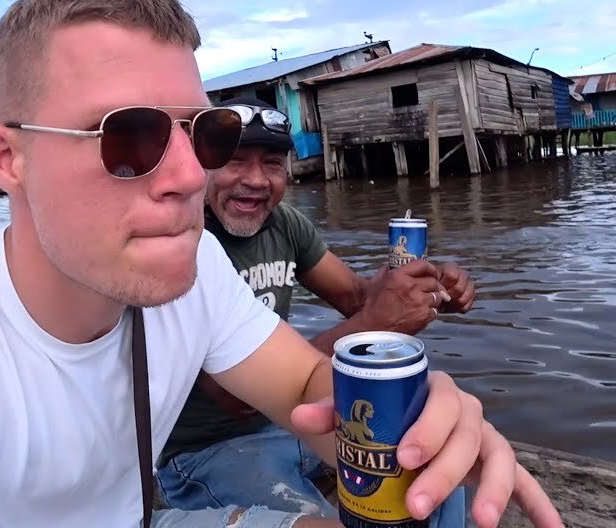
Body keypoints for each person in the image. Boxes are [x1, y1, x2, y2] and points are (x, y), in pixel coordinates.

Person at [0, 0, 560, 528]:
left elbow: (303, 387)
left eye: (204, 133)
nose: (189, 175)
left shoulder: (190, 275)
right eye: (131, 136)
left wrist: (400, 429)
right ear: (10, 159)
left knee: (440, 497)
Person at [158, 98, 477, 518]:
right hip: (206, 453)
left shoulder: (286, 225)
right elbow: (235, 400)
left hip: (291, 425)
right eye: (236, 161)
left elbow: (356, 299)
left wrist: (428, 295)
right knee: (320, 519)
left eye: (272, 163)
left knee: (432, 473)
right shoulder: (184, 248)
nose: (255, 180)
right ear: (205, 164)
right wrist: (376, 321)